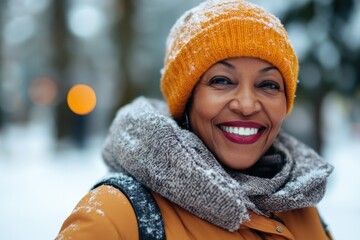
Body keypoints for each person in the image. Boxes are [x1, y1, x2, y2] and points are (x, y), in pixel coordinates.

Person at [56, 0, 334, 239]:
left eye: (269, 85)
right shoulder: (117, 216)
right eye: (222, 80)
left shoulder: (302, 206)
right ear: (186, 100)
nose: (248, 105)